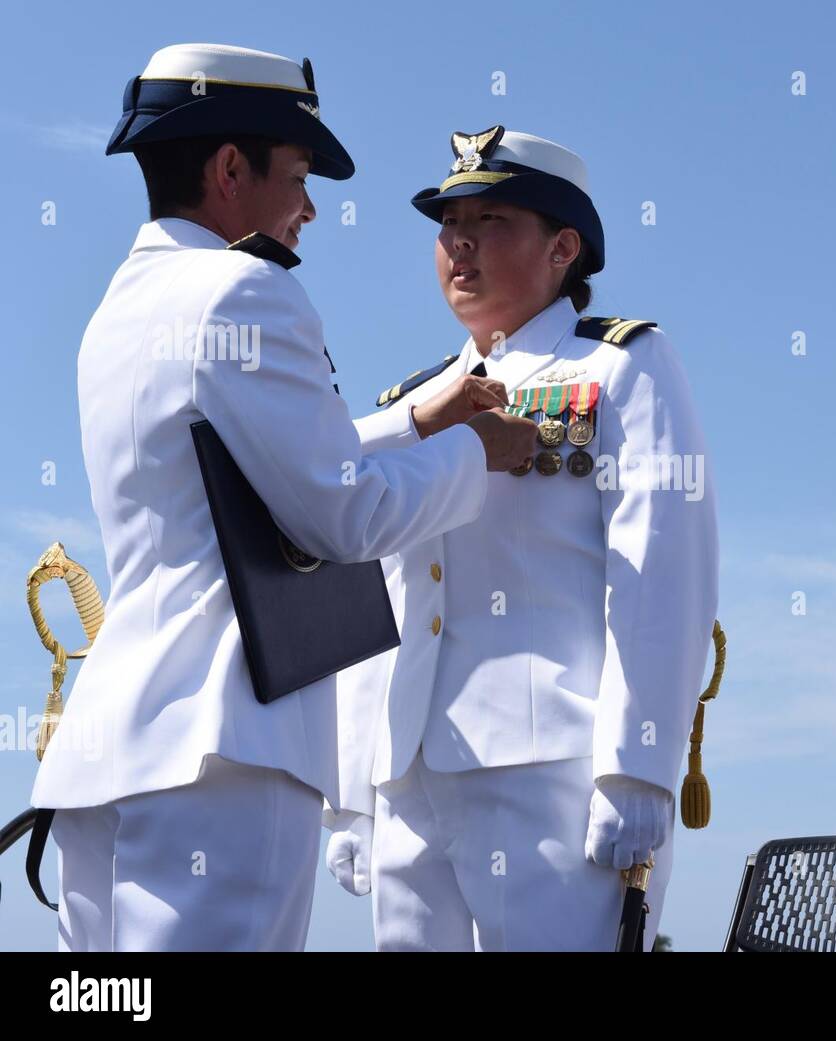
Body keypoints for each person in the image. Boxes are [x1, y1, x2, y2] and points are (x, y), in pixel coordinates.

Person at [36, 44, 535, 952]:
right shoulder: (245, 288)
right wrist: (477, 451)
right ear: (231, 169)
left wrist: (418, 421)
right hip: (224, 755)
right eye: (299, 176)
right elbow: (341, 516)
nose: (309, 210)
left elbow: (243, 469)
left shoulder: (119, 308)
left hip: (111, 751)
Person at [325, 126, 720, 951]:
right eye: (448, 223)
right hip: (409, 769)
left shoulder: (623, 368)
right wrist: (351, 790)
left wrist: (638, 766)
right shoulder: (415, 399)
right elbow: (382, 593)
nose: (459, 241)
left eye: (493, 218)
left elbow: (659, 572)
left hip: (554, 768)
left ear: (563, 247)